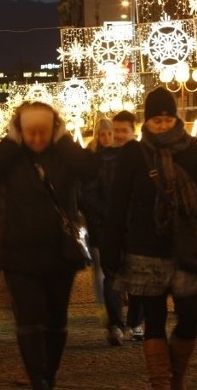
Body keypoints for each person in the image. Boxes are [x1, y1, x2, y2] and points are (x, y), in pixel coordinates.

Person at [102, 87, 197, 390]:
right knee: (155, 320)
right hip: (145, 248)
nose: (162, 125)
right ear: (146, 121)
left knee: (189, 319)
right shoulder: (133, 153)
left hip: (190, 247)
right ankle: (162, 383)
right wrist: (111, 250)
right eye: (156, 119)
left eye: (167, 118)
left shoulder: (191, 149)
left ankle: (178, 375)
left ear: (176, 119)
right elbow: (118, 204)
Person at [0, 101, 97, 390]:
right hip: (19, 252)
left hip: (59, 252)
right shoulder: (12, 156)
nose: (37, 139)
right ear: (21, 132)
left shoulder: (64, 154)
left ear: (53, 131)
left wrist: (63, 138)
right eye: (30, 132)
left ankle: (48, 375)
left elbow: (90, 170)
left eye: (43, 132)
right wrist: (13, 140)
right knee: (28, 318)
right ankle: (38, 380)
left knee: (55, 319)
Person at [80, 117, 127, 345]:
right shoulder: (92, 162)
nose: (107, 138)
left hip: (123, 225)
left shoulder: (124, 159)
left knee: (124, 273)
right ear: (98, 136)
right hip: (102, 226)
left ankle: (126, 319)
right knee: (108, 274)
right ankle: (113, 320)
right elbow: (86, 196)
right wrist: (107, 213)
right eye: (103, 134)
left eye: (110, 134)